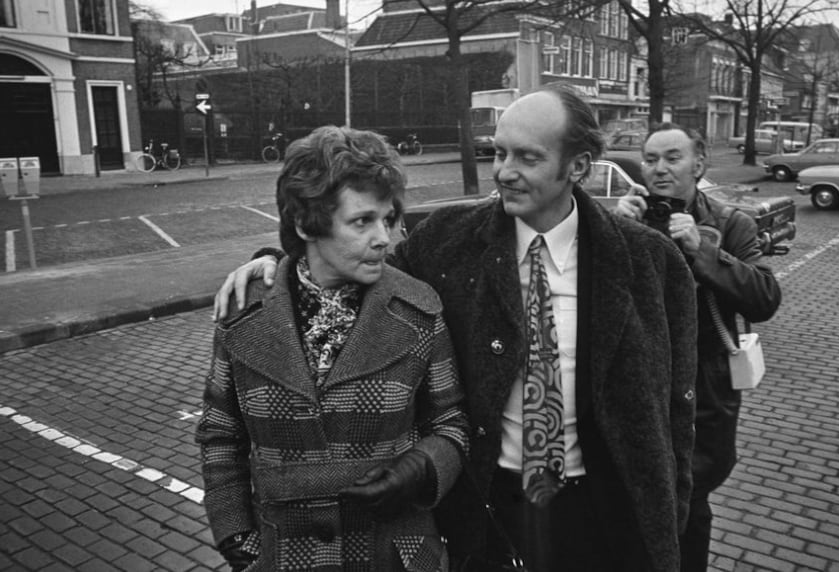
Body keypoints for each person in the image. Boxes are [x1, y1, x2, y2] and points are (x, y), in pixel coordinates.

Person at [213, 84, 699, 571]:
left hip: (606, 507)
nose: (503, 171)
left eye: (527, 157)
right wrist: (275, 263)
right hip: (493, 506)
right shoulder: (447, 242)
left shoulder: (649, 261)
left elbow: (678, 404)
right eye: (500, 152)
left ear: (577, 166)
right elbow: (351, 265)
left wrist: (673, 508)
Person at [196, 126, 469, 572]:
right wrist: (235, 534)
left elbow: (451, 422)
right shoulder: (243, 313)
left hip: (393, 555)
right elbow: (220, 434)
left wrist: (420, 469)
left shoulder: (419, 310)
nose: (384, 237)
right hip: (282, 557)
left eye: (388, 217)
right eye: (362, 221)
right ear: (306, 223)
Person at [614, 123, 782, 572]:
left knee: (691, 495)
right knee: (635, 491)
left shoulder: (730, 224)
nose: (659, 169)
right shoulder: (628, 220)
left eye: (672, 157)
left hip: (704, 386)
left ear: (699, 163)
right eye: (650, 160)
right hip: (641, 381)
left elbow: (765, 298)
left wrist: (703, 250)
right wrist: (612, 232)